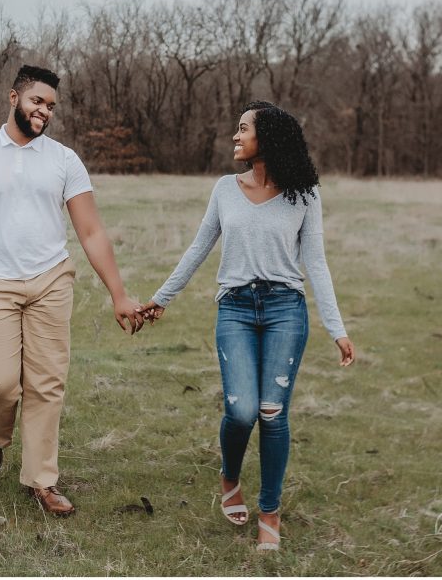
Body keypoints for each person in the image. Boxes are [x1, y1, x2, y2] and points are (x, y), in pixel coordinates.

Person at [139, 101, 356, 551]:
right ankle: (229, 477)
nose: (235, 137)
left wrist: (337, 328)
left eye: (243, 130)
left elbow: (315, 263)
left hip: (284, 310)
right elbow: (198, 248)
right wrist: (162, 298)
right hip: (235, 309)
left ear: (268, 139)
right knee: (241, 411)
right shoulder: (224, 189)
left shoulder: (305, 194)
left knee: (272, 413)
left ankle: (270, 512)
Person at [0, 64, 144, 518]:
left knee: (46, 385)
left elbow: (90, 231)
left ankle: (42, 480)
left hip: (50, 280)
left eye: (51, 106)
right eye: (37, 101)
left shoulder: (64, 160)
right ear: (13, 98)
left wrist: (119, 294)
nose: (44, 111)